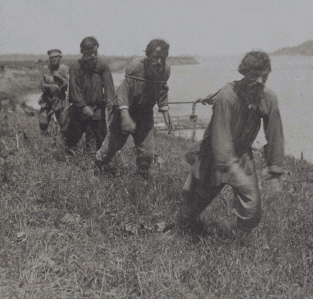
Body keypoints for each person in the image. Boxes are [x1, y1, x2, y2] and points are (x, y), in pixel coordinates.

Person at [175, 51, 284, 234]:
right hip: (213, 156)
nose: (259, 81)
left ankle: (235, 242)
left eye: (263, 76)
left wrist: (275, 172)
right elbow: (221, 135)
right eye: (253, 75)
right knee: (196, 203)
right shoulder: (226, 96)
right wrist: (232, 169)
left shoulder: (268, 98)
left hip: (242, 156)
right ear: (243, 72)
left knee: (252, 212)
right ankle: (179, 228)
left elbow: (275, 134)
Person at [95, 39, 174, 179]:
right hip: (123, 112)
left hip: (144, 114)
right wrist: (125, 117)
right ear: (147, 56)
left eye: (163, 58)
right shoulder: (136, 67)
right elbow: (122, 93)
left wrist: (166, 114)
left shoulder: (164, 70)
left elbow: (162, 90)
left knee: (147, 154)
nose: (159, 62)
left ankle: (141, 180)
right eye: (155, 57)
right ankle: (97, 169)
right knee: (110, 148)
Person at [65, 36, 115, 152]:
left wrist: (110, 102)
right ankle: (69, 162)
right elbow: (74, 89)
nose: (93, 56)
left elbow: (108, 85)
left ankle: (95, 163)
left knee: (99, 139)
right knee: (72, 139)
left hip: (97, 109)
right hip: (79, 109)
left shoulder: (102, 65)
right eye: (89, 53)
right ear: (82, 52)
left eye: (95, 52)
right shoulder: (75, 68)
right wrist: (83, 106)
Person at [38, 49, 69, 136]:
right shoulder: (45, 69)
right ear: (49, 59)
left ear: (60, 58)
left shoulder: (64, 68)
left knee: (63, 123)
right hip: (47, 98)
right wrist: (50, 86)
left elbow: (67, 85)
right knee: (43, 122)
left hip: (60, 98)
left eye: (56, 57)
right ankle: (45, 140)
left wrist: (60, 77)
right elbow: (42, 84)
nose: (54, 59)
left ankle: (63, 142)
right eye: (52, 58)